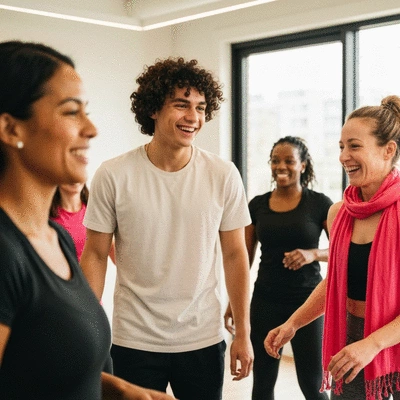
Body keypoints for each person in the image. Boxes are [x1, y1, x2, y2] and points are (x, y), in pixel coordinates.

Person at [0, 40, 175, 400]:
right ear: (11, 129)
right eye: (70, 112)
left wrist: (125, 391)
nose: (91, 129)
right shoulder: (4, 254)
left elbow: (49, 370)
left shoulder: (56, 239)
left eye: (87, 111)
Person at [80, 57, 254, 400]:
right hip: (134, 339)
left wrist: (243, 333)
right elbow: (96, 254)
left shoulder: (223, 175)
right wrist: (85, 327)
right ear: (153, 109)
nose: (194, 117)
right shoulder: (113, 174)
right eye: (182, 105)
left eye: (201, 108)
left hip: (202, 337)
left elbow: (235, 254)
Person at [265, 96, 400, 400]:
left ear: (388, 149)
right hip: (350, 334)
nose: (343, 156)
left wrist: (372, 344)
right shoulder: (340, 212)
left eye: (354, 146)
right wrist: (293, 324)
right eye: (341, 146)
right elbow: (337, 282)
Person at [225, 136, 332, 399]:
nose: (280, 166)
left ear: (303, 165)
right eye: (275, 160)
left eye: (289, 161)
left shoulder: (320, 204)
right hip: (265, 302)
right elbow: (242, 257)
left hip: (307, 304)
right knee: (262, 384)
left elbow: (341, 252)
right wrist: (234, 302)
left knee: (312, 383)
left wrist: (313, 254)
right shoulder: (258, 205)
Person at [50, 183, 116, 263]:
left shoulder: (95, 211)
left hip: (91, 275)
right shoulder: (47, 217)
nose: (75, 179)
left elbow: (112, 250)